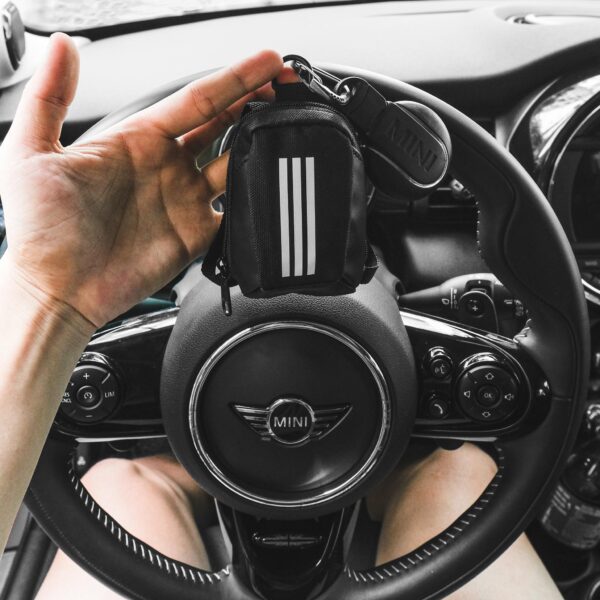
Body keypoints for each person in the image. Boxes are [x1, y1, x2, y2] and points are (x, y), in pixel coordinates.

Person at [0, 33, 562, 600]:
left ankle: (169, 476)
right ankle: (399, 477)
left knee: (125, 477)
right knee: (452, 468)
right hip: (397, 458)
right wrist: (48, 296)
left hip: (173, 449)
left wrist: (46, 301)